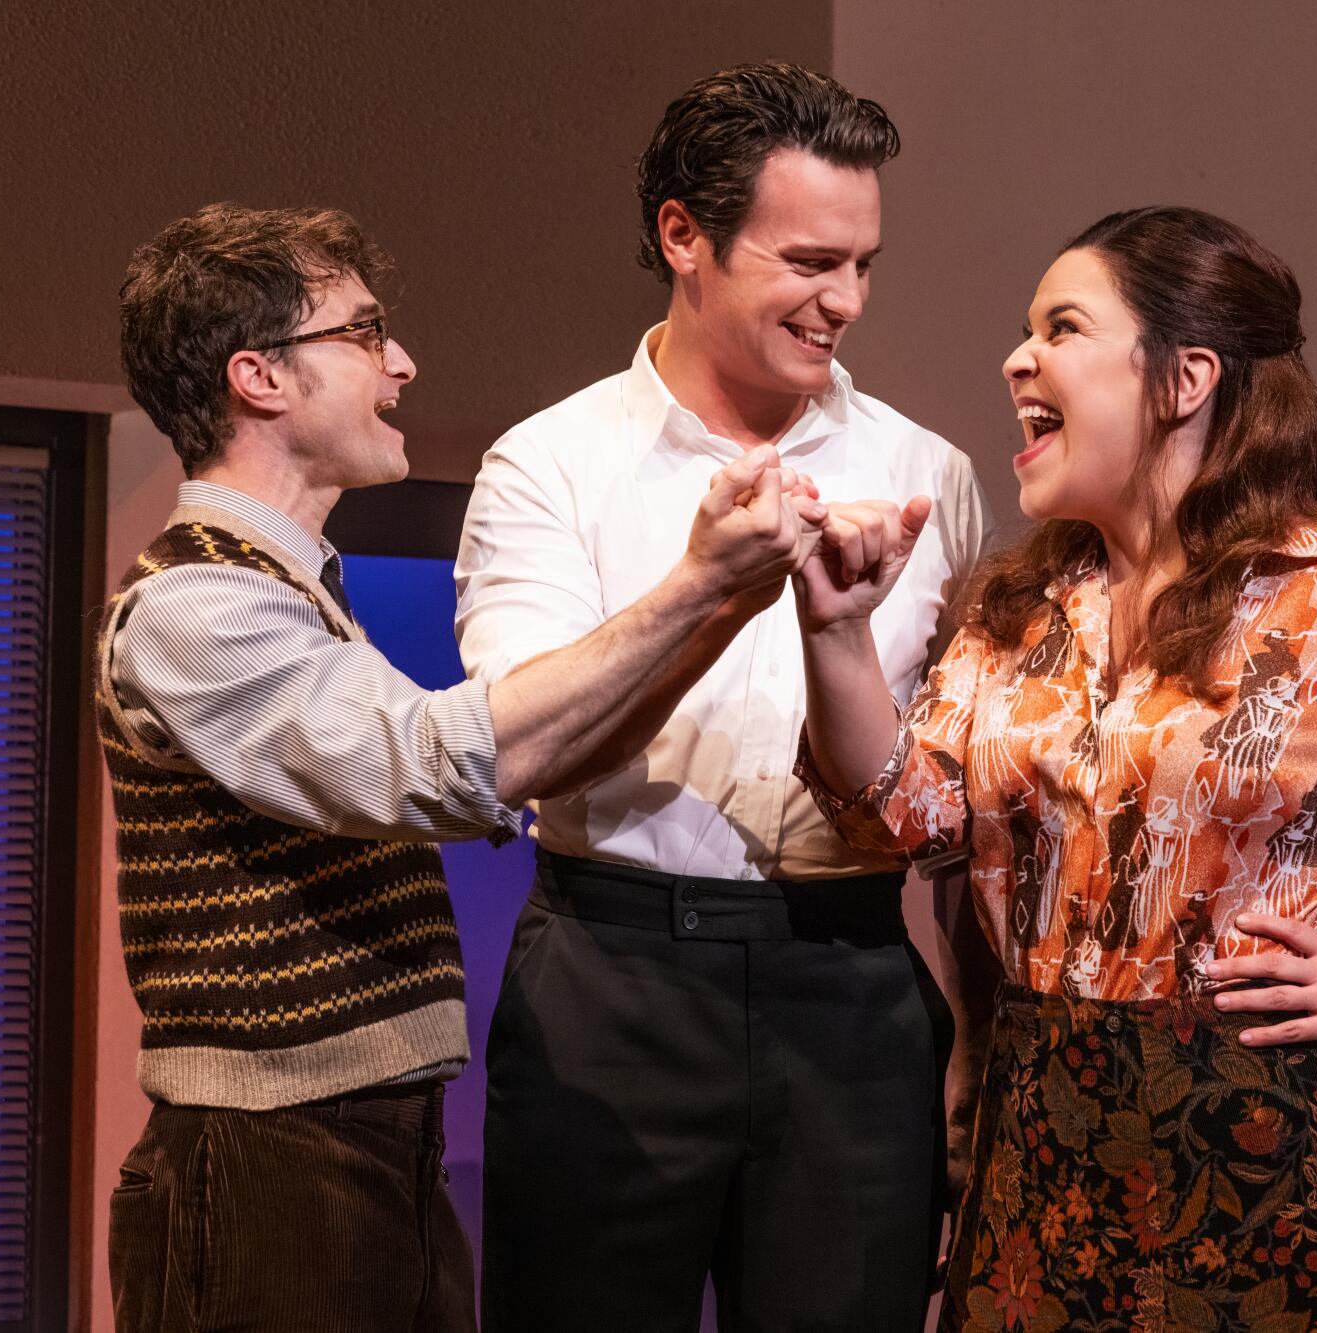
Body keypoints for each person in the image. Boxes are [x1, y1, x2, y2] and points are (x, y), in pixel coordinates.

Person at [792, 205, 1317, 1331]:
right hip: (1049, 1150)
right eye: (1024, 330)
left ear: (1185, 375)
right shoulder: (1019, 614)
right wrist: (832, 632)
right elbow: (903, 824)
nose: (1017, 358)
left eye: (1060, 327)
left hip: (1286, 1157)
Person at [100, 202, 826, 1333]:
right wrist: (696, 584)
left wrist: (729, 596)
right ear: (260, 377)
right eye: (363, 331)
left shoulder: (287, 590)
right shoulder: (196, 604)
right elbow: (433, 764)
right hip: (267, 1161)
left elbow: (497, 759)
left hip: (361, 1140)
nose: (402, 363)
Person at [455, 64, 990, 1331]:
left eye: (863, 263)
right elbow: (515, 744)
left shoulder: (927, 471)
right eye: (808, 261)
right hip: (612, 970)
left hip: (855, 977)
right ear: (681, 237)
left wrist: (977, 1026)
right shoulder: (552, 462)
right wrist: (709, 588)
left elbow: (967, 792)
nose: (844, 301)